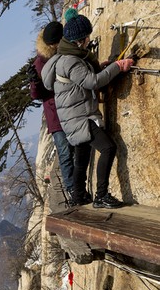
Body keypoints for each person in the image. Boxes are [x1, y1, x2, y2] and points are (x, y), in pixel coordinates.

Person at [41, 11, 134, 209]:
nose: (89, 39)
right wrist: (118, 66)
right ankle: (101, 196)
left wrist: (103, 67)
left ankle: (79, 196)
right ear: (80, 40)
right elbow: (92, 81)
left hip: (73, 118)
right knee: (108, 148)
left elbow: (82, 77)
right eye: (87, 36)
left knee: (81, 159)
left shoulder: (66, 57)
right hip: (80, 118)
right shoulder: (71, 60)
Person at [28, 21, 79, 205]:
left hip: (73, 107)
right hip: (56, 114)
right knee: (65, 152)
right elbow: (36, 94)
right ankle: (71, 189)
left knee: (77, 148)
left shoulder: (65, 52)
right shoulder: (40, 62)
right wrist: (35, 82)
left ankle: (77, 187)